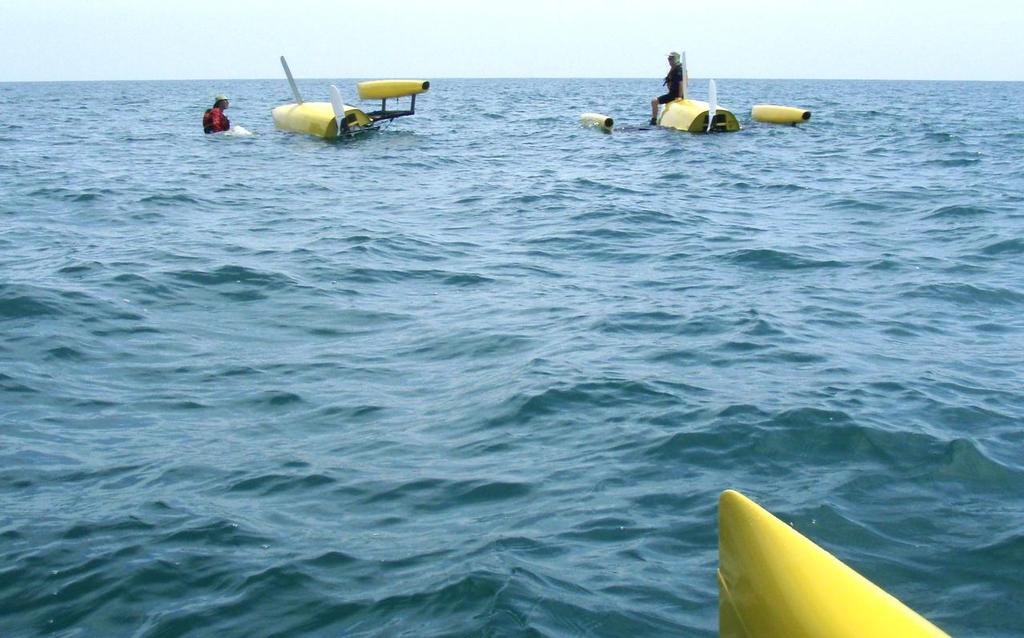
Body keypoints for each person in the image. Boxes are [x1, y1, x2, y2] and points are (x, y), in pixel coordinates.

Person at [650, 52, 684, 125]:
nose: (669, 61)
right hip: (671, 94)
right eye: (668, 59)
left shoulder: (679, 69)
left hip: (676, 95)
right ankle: (654, 119)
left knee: (654, 101)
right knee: (654, 101)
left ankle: (653, 120)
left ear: (676, 59)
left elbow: (681, 83)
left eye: (671, 59)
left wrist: (679, 97)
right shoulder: (673, 69)